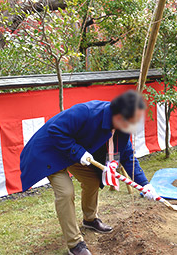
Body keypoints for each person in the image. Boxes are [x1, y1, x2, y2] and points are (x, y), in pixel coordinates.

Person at [20, 90, 158, 255]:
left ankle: (90, 219)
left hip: (75, 154)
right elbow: (55, 131)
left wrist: (145, 185)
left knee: (92, 181)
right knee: (65, 192)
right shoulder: (87, 112)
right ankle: (75, 244)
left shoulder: (122, 128)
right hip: (51, 152)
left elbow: (128, 157)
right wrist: (79, 153)